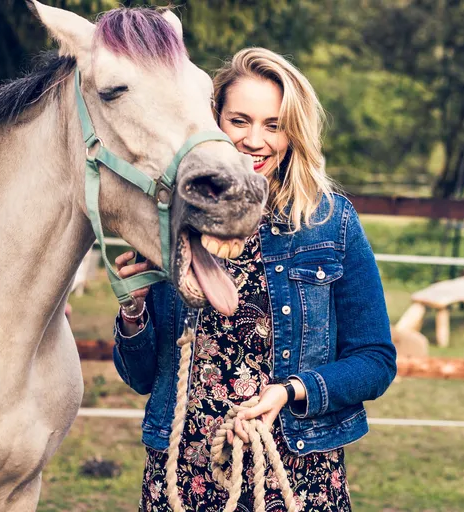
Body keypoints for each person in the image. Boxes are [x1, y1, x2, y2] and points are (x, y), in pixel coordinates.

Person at [112, 47, 396, 511]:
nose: (254, 140)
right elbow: (141, 377)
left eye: (273, 125)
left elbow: (375, 359)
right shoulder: (173, 223)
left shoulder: (329, 222)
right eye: (239, 121)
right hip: (185, 474)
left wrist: (291, 390)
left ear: (293, 132)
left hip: (296, 472)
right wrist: (134, 309)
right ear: (213, 121)